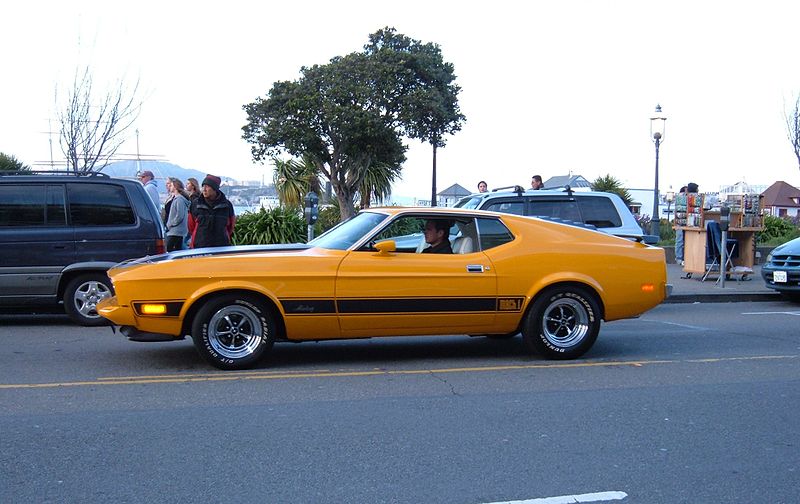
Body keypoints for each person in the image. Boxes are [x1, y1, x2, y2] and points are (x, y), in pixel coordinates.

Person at [188, 174, 236, 248]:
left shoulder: (227, 205)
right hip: (199, 248)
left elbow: (230, 227)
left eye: (207, 186)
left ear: (215, 189)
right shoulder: (195, 204)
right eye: (203, 186)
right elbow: (191, 226)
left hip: (221, 248)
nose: (204, 189)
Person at [164, 177, 191, 252]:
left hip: (175, 231)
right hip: (177, 231)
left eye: (172, 185)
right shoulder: (177, 199)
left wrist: (171, 224)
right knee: (178, 250)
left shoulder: (179, 200)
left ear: (175, 187)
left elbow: (179, 215)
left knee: (168, 249)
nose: (170, 187)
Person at [675, 186, 688, 266]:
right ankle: (679, 258)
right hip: (680, 222)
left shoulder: (678, 199)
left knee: (680, 240)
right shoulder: (681, 198)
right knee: (680, 240)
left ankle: (679, 258)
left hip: (680, 222)